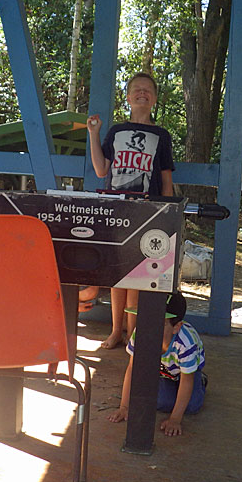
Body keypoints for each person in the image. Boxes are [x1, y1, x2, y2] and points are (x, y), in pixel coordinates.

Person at [86, 72, 175, 349]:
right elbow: (101, 169)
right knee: (117, 275)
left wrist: (168, 213)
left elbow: (167, 178)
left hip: (147, 212)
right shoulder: (116, 132)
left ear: (155, 98)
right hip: (118, 210)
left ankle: (132, 335)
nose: (142, 93)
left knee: (137, 276)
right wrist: (93, 133)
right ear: (127, 97)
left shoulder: (162, 136)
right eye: (137, 88)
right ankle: (116, 331)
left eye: (148, 89)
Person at [107, 292, 207, 437]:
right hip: (163, 372)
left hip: (186, 373)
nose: (150, 327)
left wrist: (175, 419)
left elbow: (187, 380)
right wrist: (124, 407)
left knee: (192, 406)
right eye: (146, 318)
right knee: (161, 402)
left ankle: (201, 381)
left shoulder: (186, 343)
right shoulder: (140, 333)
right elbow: (132, 368)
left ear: (176, 327)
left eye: (160, 323)